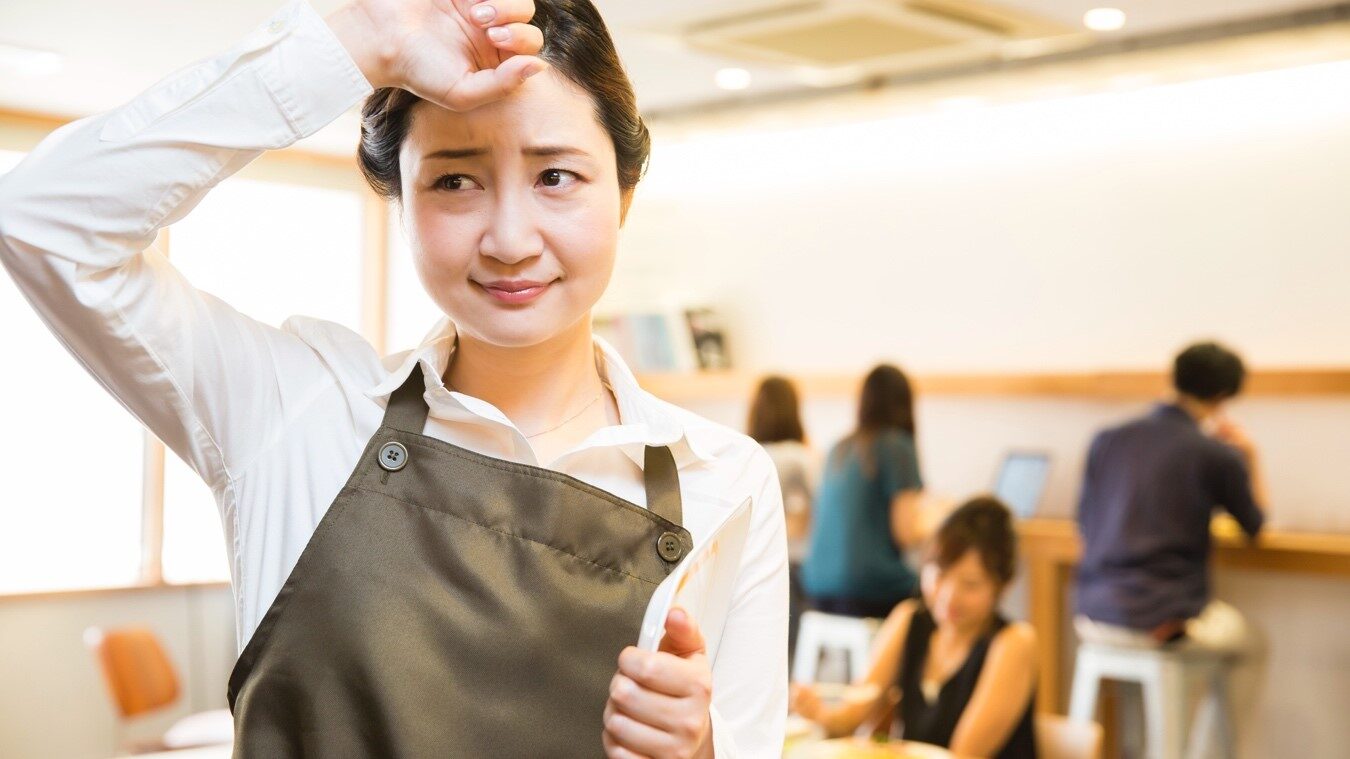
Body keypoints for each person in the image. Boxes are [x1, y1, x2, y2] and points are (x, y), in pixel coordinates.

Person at [0, 1, 789, 756]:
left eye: (556, 176)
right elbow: (42, 221)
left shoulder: (726, 483)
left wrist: (701, 749)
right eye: (454, 180)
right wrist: (354, 41)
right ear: (398, 204)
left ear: (624, 192)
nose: (511, 238)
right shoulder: (299, 411)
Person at [793, 498, 1039, 758]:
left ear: (1002, 587)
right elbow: (856, 710)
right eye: (940, 574)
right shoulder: (909, 619)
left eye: (970, 584)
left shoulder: (1014, 643)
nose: (948, 596)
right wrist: (821, 713)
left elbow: (964, 755)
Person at [1075, 341, 1266, 651]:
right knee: (1252, 644)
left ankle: (1152, 701)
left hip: (1094, 610)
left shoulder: (1107, 440)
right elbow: (1255, 526)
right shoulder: (1213, 454)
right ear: (1221, 398)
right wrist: (1250, 455)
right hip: (1164, 618)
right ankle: (1189, 703)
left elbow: (1084, 521)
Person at [801, 364, 925, 618]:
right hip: (868, 586)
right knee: (937, 593)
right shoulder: (898, 446)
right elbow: (905, 534)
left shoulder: (839, 448)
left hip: (816, 583)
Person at [747, 375, 819, 657]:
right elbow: (800, 524)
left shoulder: (749, 454)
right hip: (795, 567)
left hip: (753, 564)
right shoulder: (800, 458)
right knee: (793, 652)